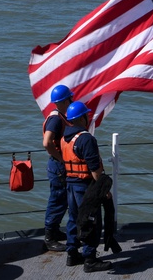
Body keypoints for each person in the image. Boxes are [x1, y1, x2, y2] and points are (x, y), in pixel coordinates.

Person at [60, 100, 112, 272]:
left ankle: (72, 253)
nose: (88, 117)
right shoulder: (86, 139)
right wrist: (103, 190)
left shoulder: (64, 138)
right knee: (91, 221)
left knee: (74, 219)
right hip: (85, 187)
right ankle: (90, 259)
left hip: (70, 185)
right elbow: (95, 169)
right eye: (87, 115)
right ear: (82, 118)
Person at [41, 84, 72, 252]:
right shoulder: (55, 119)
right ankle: (49, 237)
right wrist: (61, 159)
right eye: (69, 98)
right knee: (57, 200)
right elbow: (47, 143)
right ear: (64, 100)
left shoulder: (59, 116)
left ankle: (55, 231)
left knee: (62, 200)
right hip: (58, 165)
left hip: (58, 164)